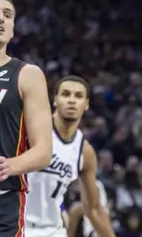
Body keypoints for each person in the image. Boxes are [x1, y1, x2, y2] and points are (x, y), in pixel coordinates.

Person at [24, 76, 114, 237]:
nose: (72, 100)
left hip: (53, 230)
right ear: (55, 100)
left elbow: (93, 208)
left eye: (78, 96)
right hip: (16, 224)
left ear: (86, 104)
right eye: (65, 94)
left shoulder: (84, 151)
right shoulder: (29, 130)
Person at [0, 0, 53, 237]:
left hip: (5, 199)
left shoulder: (27, 74)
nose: (1, 18)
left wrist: (9, 165)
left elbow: (43, 151)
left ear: (12, 30)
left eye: (7, 15)